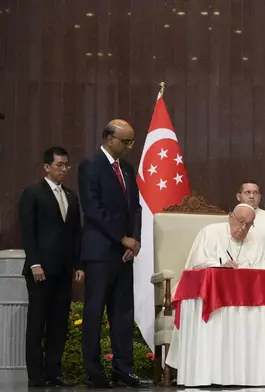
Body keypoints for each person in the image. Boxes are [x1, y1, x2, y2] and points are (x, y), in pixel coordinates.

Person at [77, 119, 146, 388]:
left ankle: (123, 369)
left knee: (122, 314)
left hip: (123, 254)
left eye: (132, 141)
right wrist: (122, 238)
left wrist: (135, 240)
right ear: (109, 139)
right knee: (94, 312)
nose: (130, 146)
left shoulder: (127, 169)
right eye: (125, 141)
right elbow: (93, 209)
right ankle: (94, 371)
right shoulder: (91, 165)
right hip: (100, 251)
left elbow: (136, 209)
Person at [18, 147, 83, 387]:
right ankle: (35, 376)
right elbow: (28, 231)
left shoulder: (72, 197)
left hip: (64, 269)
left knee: (58, 323)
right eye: (59, 165)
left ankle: (53, 372)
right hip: (40, 270)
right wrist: (35, 262)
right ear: (46, 167)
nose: (64, 169)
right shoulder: (33, 193)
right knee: (37, 323)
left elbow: (76, 234)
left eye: (67, 165)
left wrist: (78, 264)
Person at [183, 203, 265, 270]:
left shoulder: (255, 240)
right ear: (230, 217)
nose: (244, 228)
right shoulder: (210, 232)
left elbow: (263, 271)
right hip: (211, 287)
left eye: (248, 225)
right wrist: (222, 266)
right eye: (241, 221)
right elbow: (198, 264)